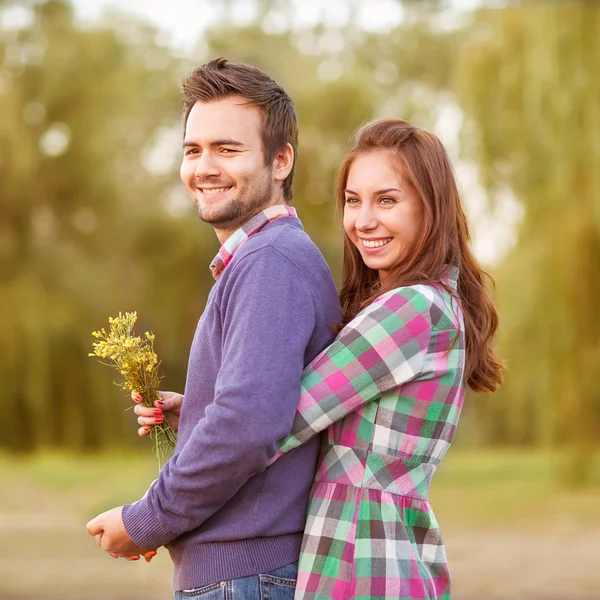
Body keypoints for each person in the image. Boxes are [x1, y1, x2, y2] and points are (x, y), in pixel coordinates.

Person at [133, 118, 503, 599]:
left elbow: (275, 418)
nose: (363, 220)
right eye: (353, 200)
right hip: (378, 557)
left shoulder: (410, 309)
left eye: (387, 200)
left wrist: (148, 517)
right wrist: (200, 406)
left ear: (430, 208)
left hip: (366, 563)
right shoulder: (431, 305)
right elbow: (297, 408)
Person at [86, 57, 341, 600]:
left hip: (244, 577)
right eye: (193, 149)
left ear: (280, 161)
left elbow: (245, 428)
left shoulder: (270, 262)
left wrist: (144, 521)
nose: (204, 166)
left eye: (228, 149)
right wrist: (198, 408)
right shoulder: (265, 259)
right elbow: (258, 411)